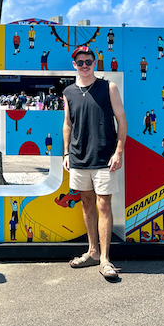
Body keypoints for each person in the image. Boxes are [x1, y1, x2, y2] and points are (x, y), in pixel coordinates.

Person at [63, 45, 127, 281]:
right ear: (75, 65)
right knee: (87, 204)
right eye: (80, 62)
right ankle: (92, 252)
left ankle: (105, 259)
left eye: (88, 61)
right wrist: (66, 154)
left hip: (104, 157)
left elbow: (122, 121)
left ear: (95, 62)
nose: (84, 65)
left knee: (103, 206)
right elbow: (67, 124)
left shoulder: (108, 87)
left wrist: (118, 151)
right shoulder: (68, 92)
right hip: (78, 158)